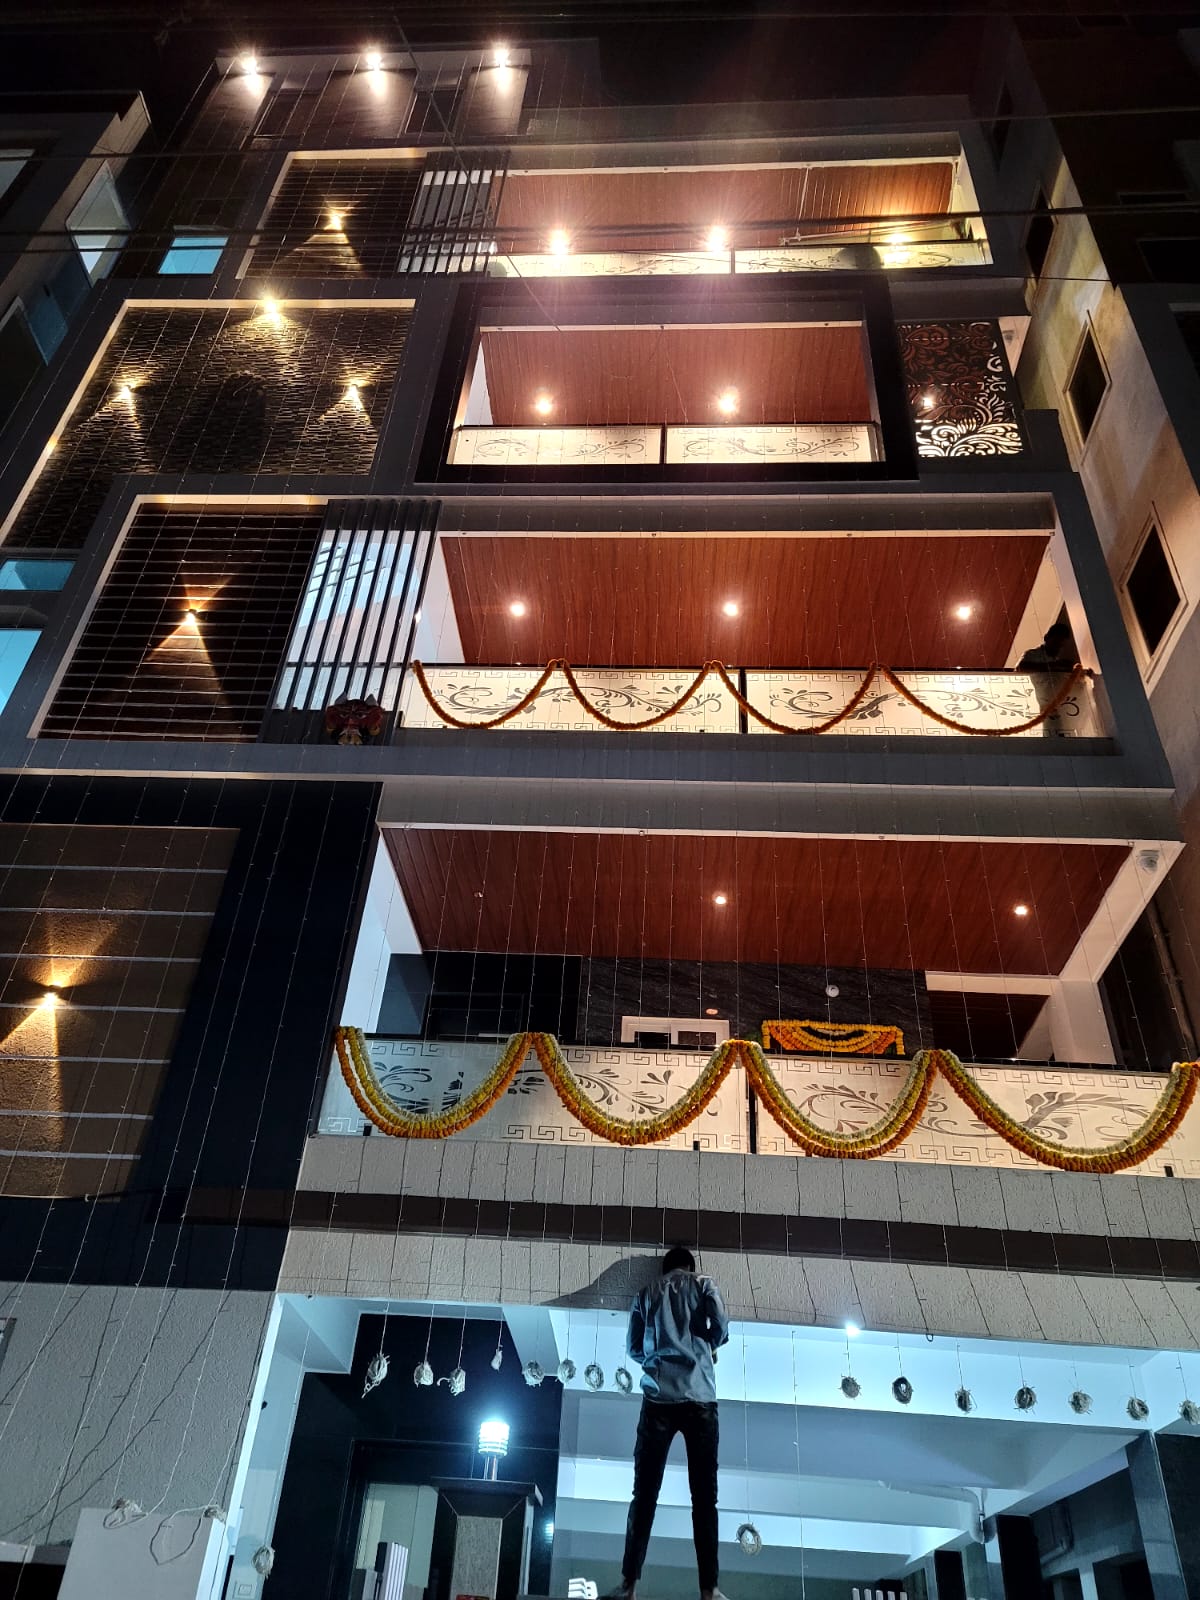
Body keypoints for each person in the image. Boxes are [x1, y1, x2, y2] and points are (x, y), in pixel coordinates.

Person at [604, 1246, 731, 1600]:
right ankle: (709, 1590)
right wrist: (709, 1345)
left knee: (644, 1495)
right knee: (704, 1499)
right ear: (690, 1266)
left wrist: (657, 1357)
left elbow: (633, 1347)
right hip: (700, 1398)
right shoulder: (704, 1284)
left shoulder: (646, 1293)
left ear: (664, 1268)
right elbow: (721, 1325)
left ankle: (628, 1586)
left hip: (658, 1399)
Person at [1017, 620, 1076, 737]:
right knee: (1050, 735)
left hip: (1061, 707)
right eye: (1055, 643)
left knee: (1060, 734)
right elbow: (1021, 668)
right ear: (1046, 638)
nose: (1057, 647)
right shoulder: (1033, 654)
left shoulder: (1057, 660)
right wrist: (1052, 666)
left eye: (1060, 645)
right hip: (1041, 704)